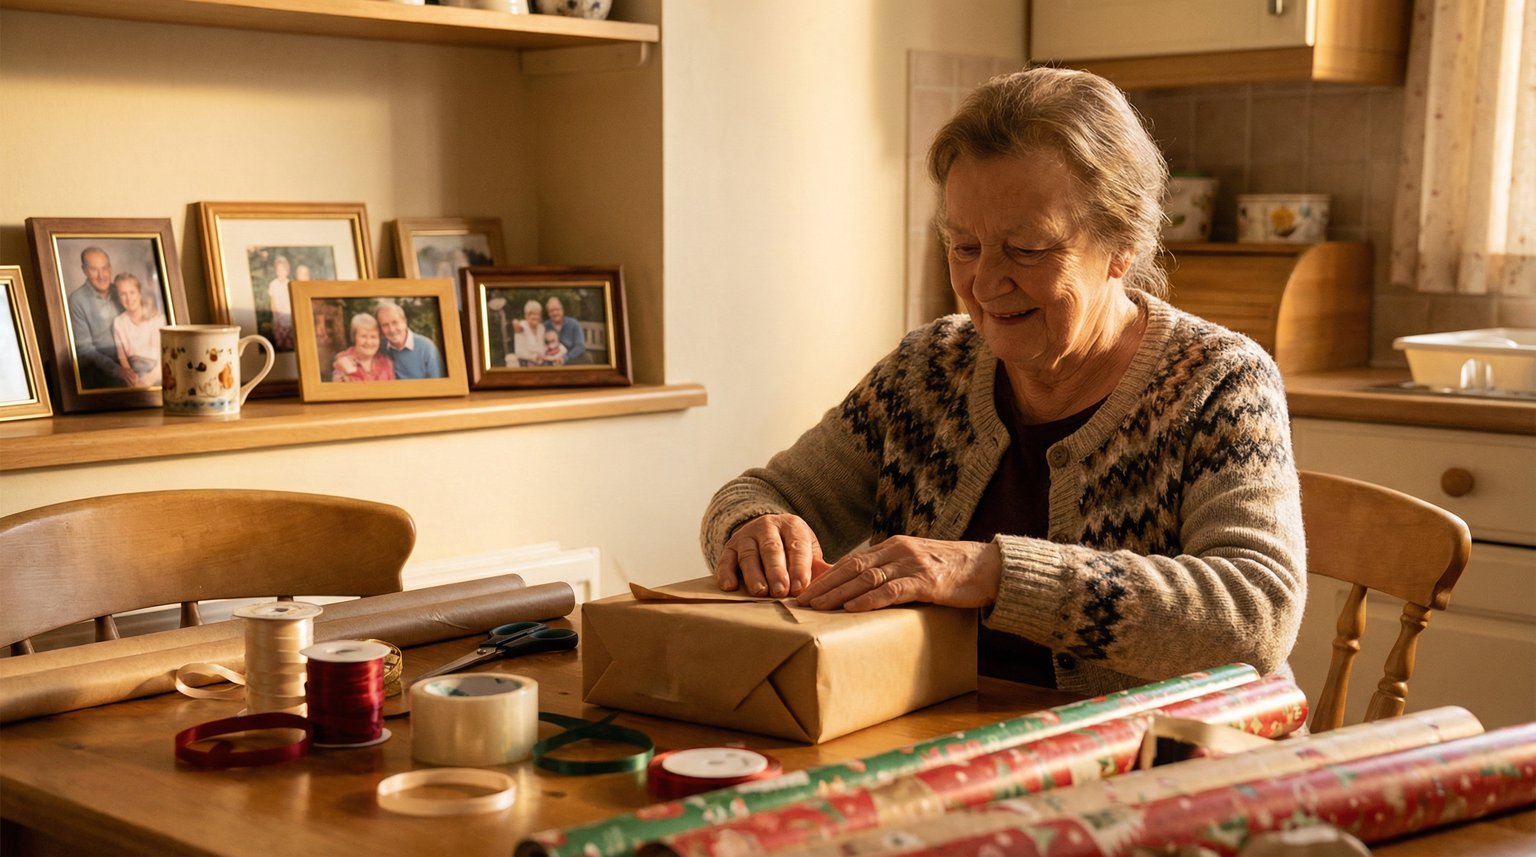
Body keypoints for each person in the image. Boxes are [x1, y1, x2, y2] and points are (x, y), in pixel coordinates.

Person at [700, 67, 1305, 697]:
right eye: (964, 247)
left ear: (1121, 246)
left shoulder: (1217, 383)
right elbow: (763, 493)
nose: (986, 283)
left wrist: (994, 571)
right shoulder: (928, 369)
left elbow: (1256, 616)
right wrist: (756, 529)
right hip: (941, 737)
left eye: (1028, 249)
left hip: (1152, 760)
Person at [66, 246, 127, 388]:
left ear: (111, 268)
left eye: (105, 268)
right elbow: (85, 350)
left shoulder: (122, 292)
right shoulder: (77, 300)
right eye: (94, 269)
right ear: (84, 270)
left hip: (127, 356)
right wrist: (116, 370)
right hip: (99, 362)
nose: (102, 275)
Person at [110, 273, 164, 388]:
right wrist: (132, 379)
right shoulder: (118, 322)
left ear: (139, 293)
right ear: (119, 298)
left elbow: (164, 354)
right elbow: (122, 358)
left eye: (132, 292)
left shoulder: (156, 318)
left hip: (158, 371)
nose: (128, 298)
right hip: (135, 373)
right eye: (123, 294)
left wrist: (150, 378)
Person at [374, 300, 444, 379]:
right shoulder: (379, 347)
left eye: (395, 322)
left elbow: (440, 384)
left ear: (404, 322)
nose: (392, 329)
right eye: (385, 325)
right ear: (380, 329)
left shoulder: (427, 348)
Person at [331, 312, 395, 382]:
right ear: (354, 337)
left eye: (373, 337)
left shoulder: (386, 363)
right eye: (363, 336)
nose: (369, 342)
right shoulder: (343, 361)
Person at [543, 297, 585, 365]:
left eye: (557, 309)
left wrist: (565, 357)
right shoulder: (545, 326)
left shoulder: (573, 323)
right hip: (551, 358)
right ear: (548, 313)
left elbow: (580, 346)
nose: (555, 313)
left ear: (562, 310)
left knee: (587, 357)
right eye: (552, 310)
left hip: (571, 358)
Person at [266, 254, 295, 351]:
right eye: (279, 270)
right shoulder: (273, 284)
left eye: (283, 269)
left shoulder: (290, 283)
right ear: (276, 271)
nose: (281, 272)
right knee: (280, 341)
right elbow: (273, 302)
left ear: (287, 270)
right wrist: (276, 318)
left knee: (290, 341)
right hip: (278, 316)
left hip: (289, 315)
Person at [512, 300, 546, 367]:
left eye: (537, 314)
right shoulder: (521, 326)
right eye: (532, 314)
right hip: (525, 363)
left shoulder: (541, 328)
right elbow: (519, 352)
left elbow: (542, 347)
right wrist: (532, 357)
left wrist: (541, 356)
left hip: (540, 362)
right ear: (526, 316)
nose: (536, 317)